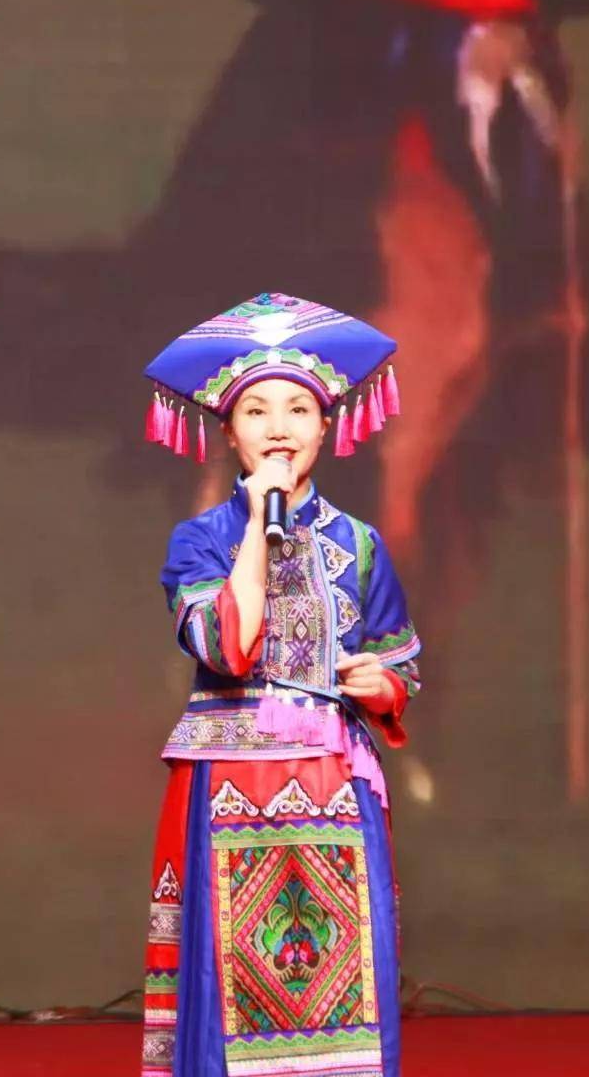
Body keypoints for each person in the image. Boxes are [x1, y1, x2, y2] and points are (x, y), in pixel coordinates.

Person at [138, 293, 422, 1077]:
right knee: (227, 982)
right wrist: (261, 529)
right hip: (229, 784)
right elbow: (227, 648)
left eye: (298, 409)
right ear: (229, 433)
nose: (279, 428)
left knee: (345, 984)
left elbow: (399, 662)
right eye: (256, 411)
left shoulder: (361, 545)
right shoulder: (200, 541)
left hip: (335, 786)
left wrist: (380, 687)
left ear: (326, 427)